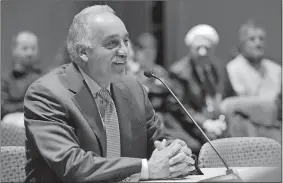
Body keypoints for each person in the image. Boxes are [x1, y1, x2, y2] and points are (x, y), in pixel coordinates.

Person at [24, 5, 196, 183]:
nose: (125, 51)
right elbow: (73, 166)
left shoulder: (133, 88)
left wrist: (177, 154)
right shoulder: (46, 94)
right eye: (112, 43)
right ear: (84, 52)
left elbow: (161, 141)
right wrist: (147, 169)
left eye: (126, 41)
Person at [169, 24, 227, 152]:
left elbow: (217, 96)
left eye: (207, 48)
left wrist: (220, 119)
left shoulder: (214, 68)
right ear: (190, 48)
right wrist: (205, 123)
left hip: (212, 122)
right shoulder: (179, 72)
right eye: (198, 48)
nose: (202, 52)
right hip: (190, 126)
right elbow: (180, 108)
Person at [225, 20, 281, 100]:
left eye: (261, 39)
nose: (258, 44)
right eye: (252, 39)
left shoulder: (276, 69)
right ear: (242, 44)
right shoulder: (232, 69)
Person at [1, 31, 42, 128]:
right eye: (25, 48)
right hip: (15, 124)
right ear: (14, 50)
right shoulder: (5, 80)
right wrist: (28, 105)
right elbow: (2, 108)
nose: (29, 53)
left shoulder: (44, 77)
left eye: (33, 48)